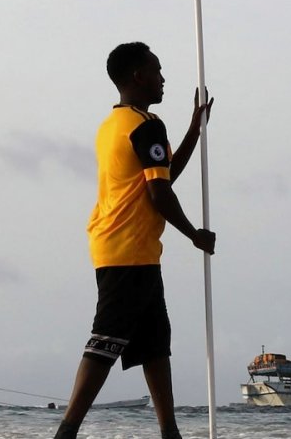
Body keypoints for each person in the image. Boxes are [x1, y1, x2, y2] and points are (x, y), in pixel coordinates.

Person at [53, 41, 215, 439]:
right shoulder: (146, 127)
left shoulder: (116, 124)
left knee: (154, 344)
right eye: (157, 70)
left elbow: (161, 176)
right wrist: (195, 235)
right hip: (127, 249)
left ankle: (170, 431)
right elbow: (159, 195)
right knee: (106, 339)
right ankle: (67, 431)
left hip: (131, 249)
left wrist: (194, 131)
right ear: (138, 76)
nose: (163, 79)